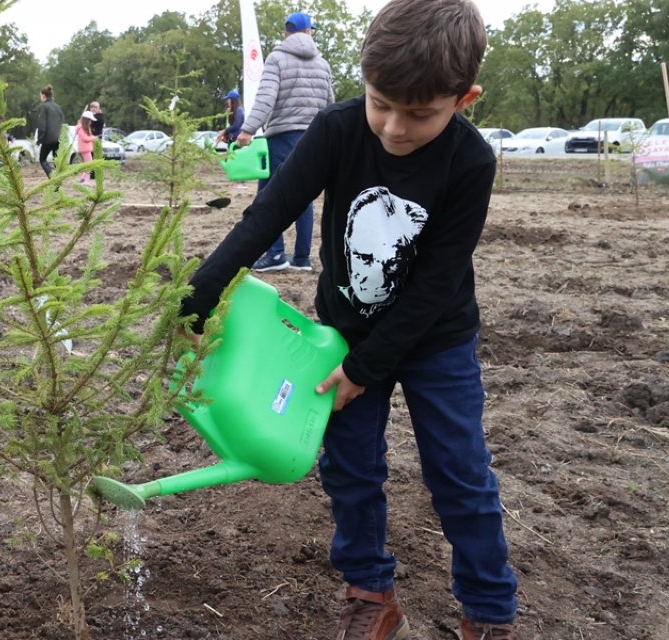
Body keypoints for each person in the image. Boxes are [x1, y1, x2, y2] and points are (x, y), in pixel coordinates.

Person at [179, 1, 517, 638]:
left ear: (464, 99)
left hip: (435, 340)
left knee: (460, 472)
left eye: (420, 114)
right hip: (339, 336)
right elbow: (266, 215)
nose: (392, 127)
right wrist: (200, 294)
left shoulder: (470, 161)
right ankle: (371, 593)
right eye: (379, 102)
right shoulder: (336, 130)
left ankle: (490, 611)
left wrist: (366, 367)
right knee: (349, 467)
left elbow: (437, 282)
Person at [236, 11, 334, 273]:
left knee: (267, 197)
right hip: (313, 139)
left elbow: (266, 99)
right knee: (304, 198)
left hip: (281, 139)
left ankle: (276, 253)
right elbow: (330, 106)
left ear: (286, 31)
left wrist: (247, 130)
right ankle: (302, 258)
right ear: (309, 31)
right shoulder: (323, 64)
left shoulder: (277, 59)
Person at [34, 84, 63, 178]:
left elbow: (42, 125)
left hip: (48, 138)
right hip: (58, 137)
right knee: (57, 161)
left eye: (40, 96)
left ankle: (52, 177)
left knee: (42, 159)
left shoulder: (44, 107)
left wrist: (39, 139)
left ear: (43, 95)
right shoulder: (57, 107)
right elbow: (62, 121)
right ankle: (58, 180)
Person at [74, 110, 97, 184]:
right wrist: (93, 138)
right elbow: (85, 138)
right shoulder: (81, 128)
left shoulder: (85, 128)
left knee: (87, 165)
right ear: (86, 120)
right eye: (90, 120)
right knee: (89, 165)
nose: (91, 122)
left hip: (86, 149)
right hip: (85, 149)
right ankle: (86, 181)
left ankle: (83, 179)